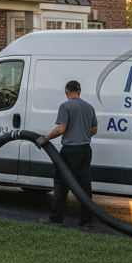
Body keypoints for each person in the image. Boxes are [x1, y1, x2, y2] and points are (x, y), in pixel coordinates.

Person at [37, 80, 98, 230]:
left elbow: (61, 129)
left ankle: (56, 219)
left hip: (71, 150)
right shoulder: (89, 107)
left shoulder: (65, 106)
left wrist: (45, 138)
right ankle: (87, 221)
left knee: (61, 182)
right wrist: (82, 135)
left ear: (67, 92)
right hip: (86, 149)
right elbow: (94, 130)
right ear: (79, 91)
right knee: (84, 185)